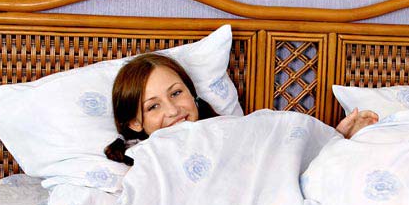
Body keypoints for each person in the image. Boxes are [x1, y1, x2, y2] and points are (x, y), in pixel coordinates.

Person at [105, 53, 378, 165]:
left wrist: (333, 139)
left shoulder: (234, 129)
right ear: (135, 122)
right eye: (153, 106)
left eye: (176, 93)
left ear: (192, 93)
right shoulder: (145, 158)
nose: (173, 110)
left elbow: (281, 160)